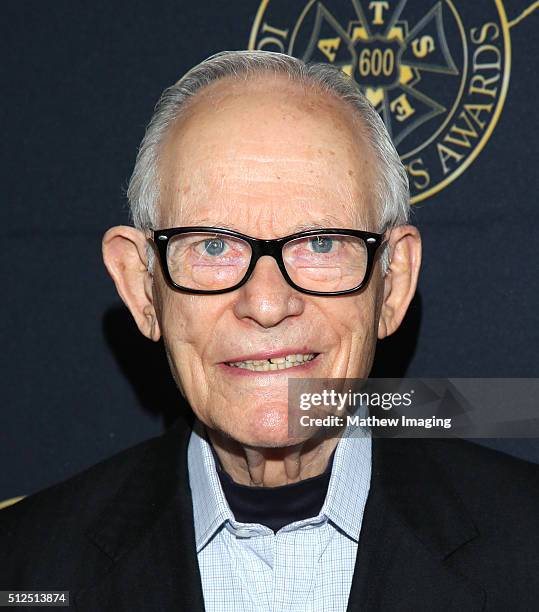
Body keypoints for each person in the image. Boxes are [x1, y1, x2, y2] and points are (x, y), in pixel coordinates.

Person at [1, 50, 538, 611]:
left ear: (393, 281)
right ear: (141, 288)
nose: (266, 303)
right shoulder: (24, 568)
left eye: (320, 242)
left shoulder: (527, 550)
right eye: (213, 246)